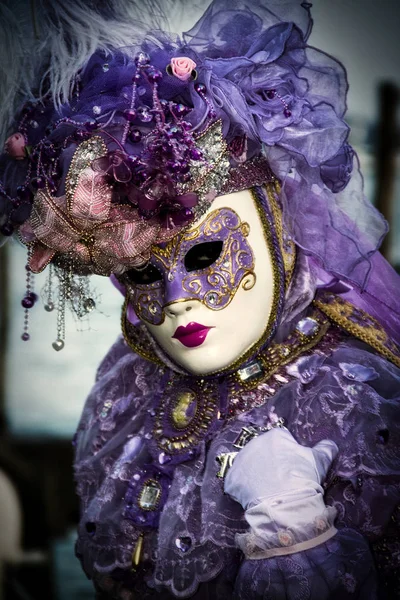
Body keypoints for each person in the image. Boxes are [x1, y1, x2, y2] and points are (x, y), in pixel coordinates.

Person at [1, 1, 399, 598]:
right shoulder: (132, 389)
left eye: (205, 256)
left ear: (275, 228)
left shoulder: (349, 401)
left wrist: (296, 541)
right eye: (140, 272)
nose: (179, 301)